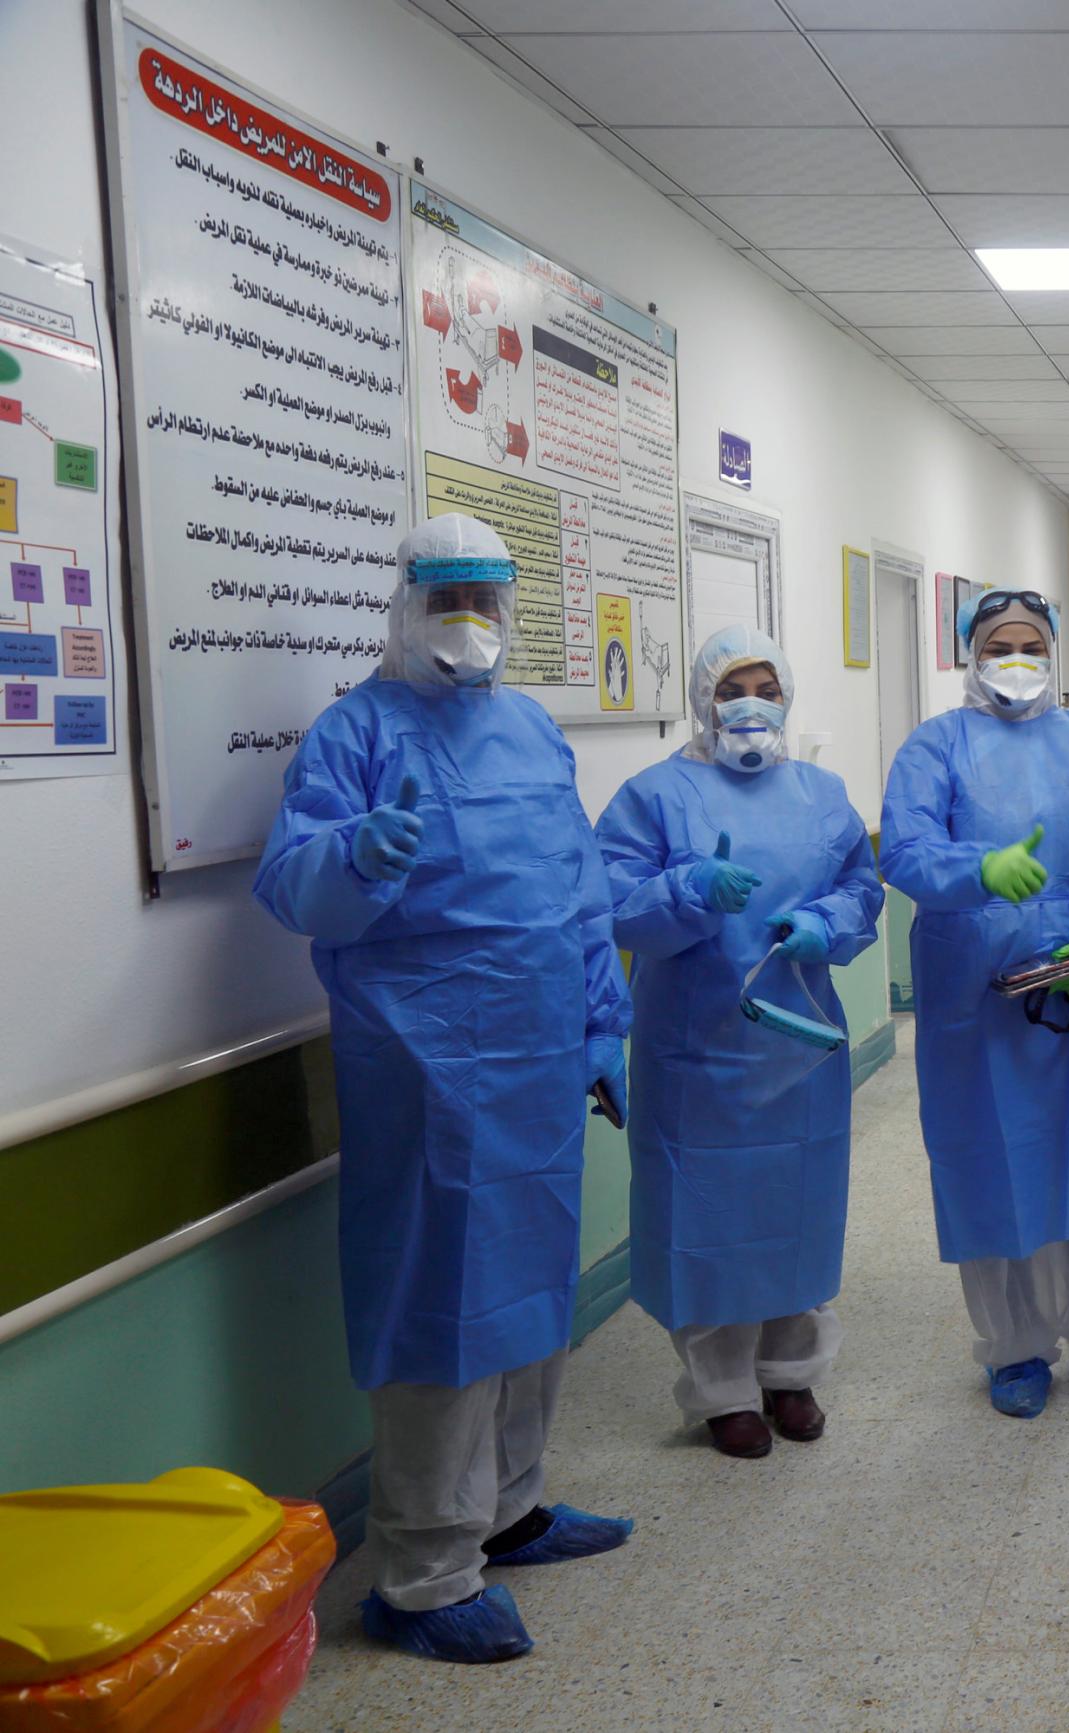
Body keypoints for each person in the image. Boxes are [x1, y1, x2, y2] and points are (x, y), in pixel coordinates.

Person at [252, 514, 633, 1664]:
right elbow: (289, 884)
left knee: (530, 1297)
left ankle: (510, 1507)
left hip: (537, 1062)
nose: (470, 620)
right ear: (404, 603)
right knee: (441, 1310)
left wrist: (603, 1019)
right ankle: (420, 1573)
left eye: (487, 598)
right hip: (423, 1064)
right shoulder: (353, 734)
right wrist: (356, 854)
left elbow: (579, 890)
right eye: (448, 596)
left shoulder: (530, 730)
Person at [880, 589, 1069, 1418]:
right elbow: (904, 850)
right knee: (992, 1165)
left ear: (1054, 653)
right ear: (970, 653)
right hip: (976, 1000)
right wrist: (981, 871)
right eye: (1000, 643)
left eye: (1032, 644)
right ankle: (1014, 1347)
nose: (1017, 659)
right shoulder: (934, 748)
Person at [594, 626, 882, 1459]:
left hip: (796, 1042)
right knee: (710, 1218)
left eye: (764, 685)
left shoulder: (823, 795)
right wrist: (687, 890)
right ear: (701, 699)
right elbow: (613, 901)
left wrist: (822, 922)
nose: (748, 703)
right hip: (696, 1051)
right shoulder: (653, 795)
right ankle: (723, 1392)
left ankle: (793, 1375)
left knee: (798, 1209)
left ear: (786, 696)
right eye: (730, 688)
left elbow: (861, 890)